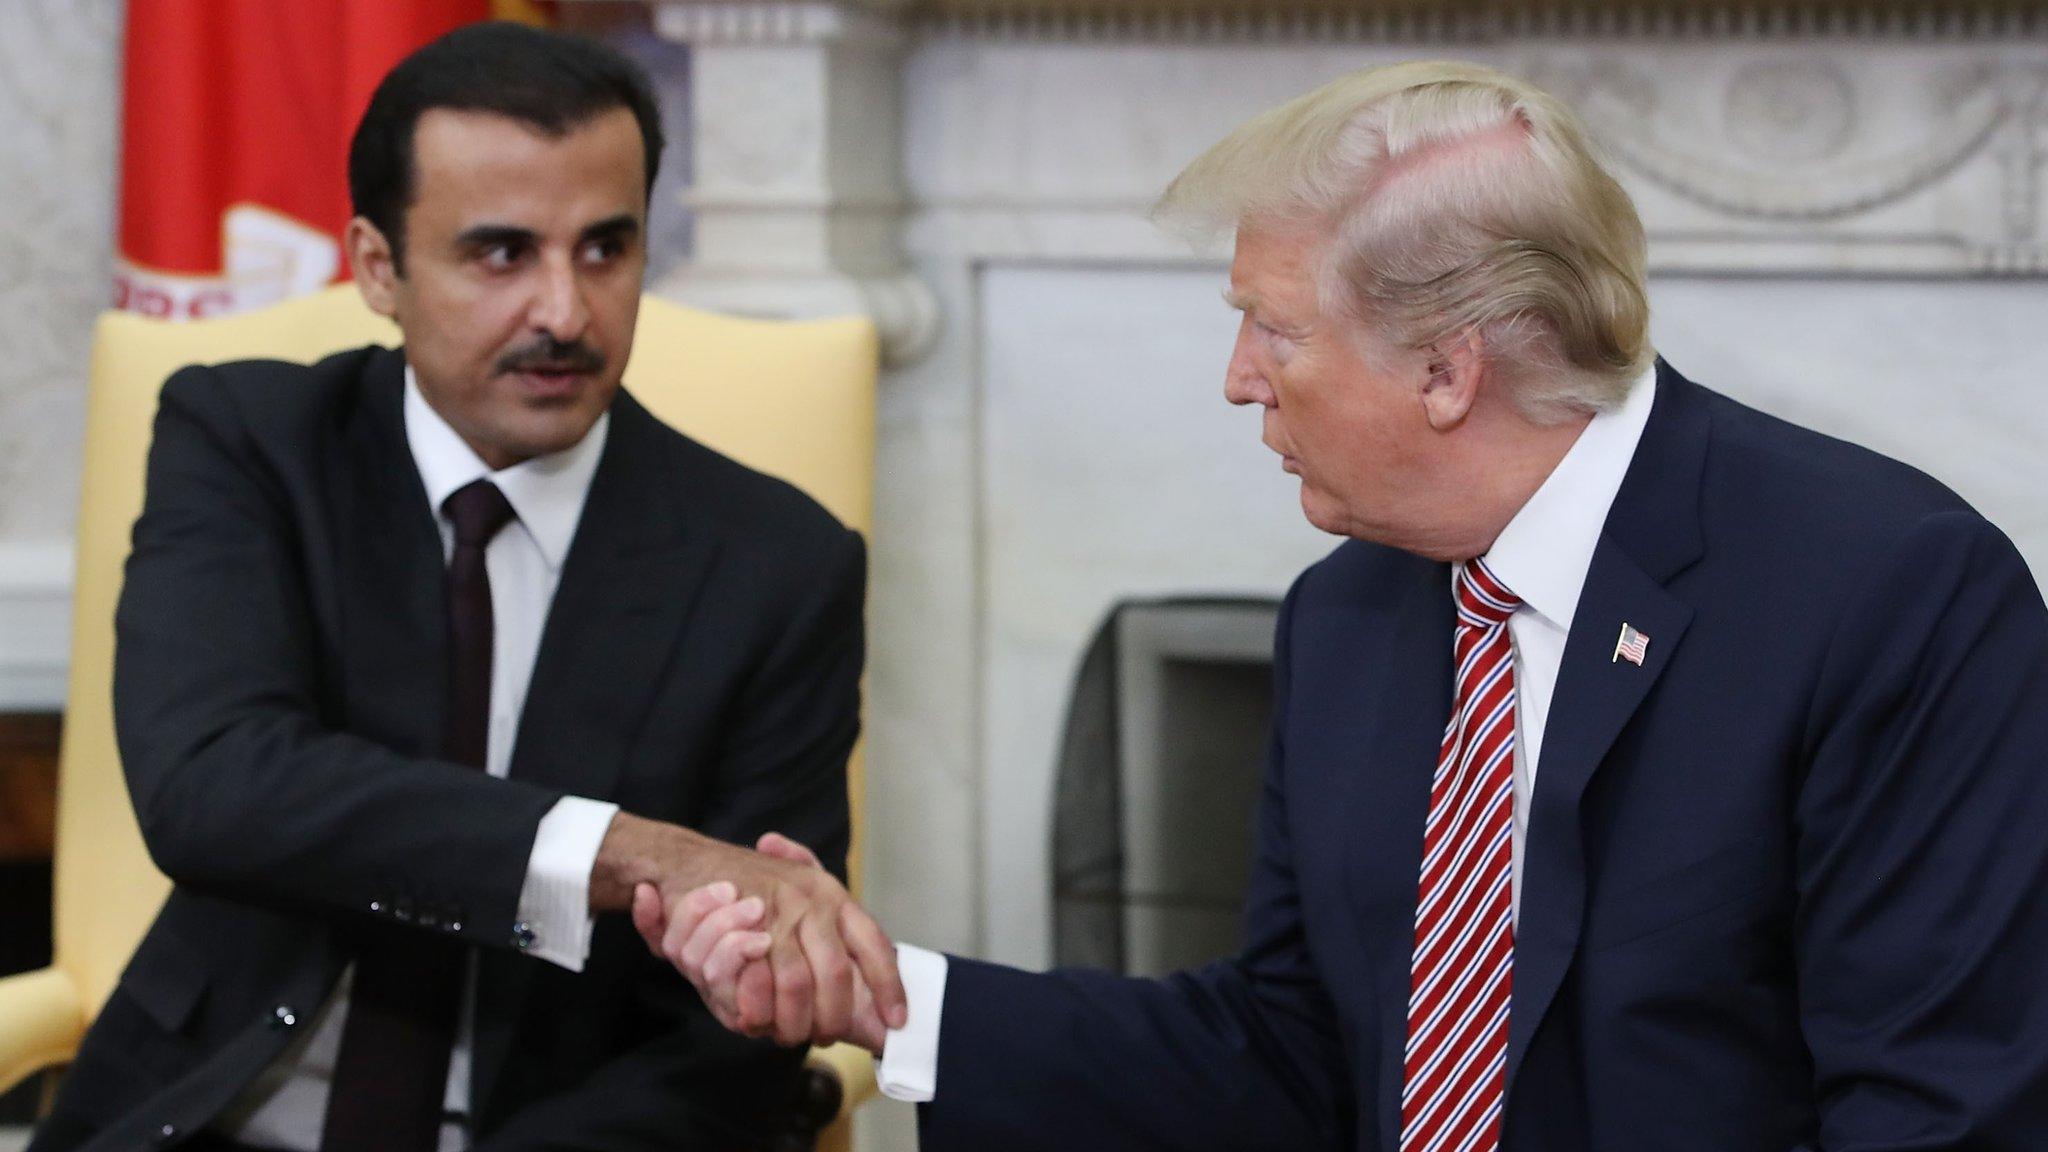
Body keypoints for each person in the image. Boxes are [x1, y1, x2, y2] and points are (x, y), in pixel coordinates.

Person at [656, 60, 2048, 1150]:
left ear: (1448, 371)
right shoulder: (1354, 617)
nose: (1238, 377)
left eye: (1274, 324)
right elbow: (1294, 1054)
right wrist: (888, 996)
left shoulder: (1892, 597)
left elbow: (1938, 1119)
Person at [31, 22, 901, 1152]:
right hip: (206, 1117)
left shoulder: (776, 564)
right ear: (378, 268)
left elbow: (735, 1029)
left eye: (605, 249)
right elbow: (215, 788)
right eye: (500, 254)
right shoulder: (252, 443)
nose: (563, 313)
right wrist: (631, 851)